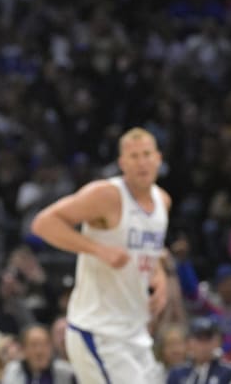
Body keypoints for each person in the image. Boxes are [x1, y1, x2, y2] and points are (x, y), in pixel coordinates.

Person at [30, 127, 170, 383]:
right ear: (122, 163)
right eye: (134, 156)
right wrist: (98, 249)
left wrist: (159, 274)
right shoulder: (107, 195)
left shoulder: (163, 201)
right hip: (98, 331)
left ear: (158, 158)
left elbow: (150, 248)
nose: (142, 162)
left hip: (136, 332)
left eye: (147, 154)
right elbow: (43, 224)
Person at [167, 317, 231, 384]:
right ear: (189, 342)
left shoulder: (230, 372)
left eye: (208, 339)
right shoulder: (176, 373)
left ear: (217, 342)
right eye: (199, 338)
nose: (203, 345)